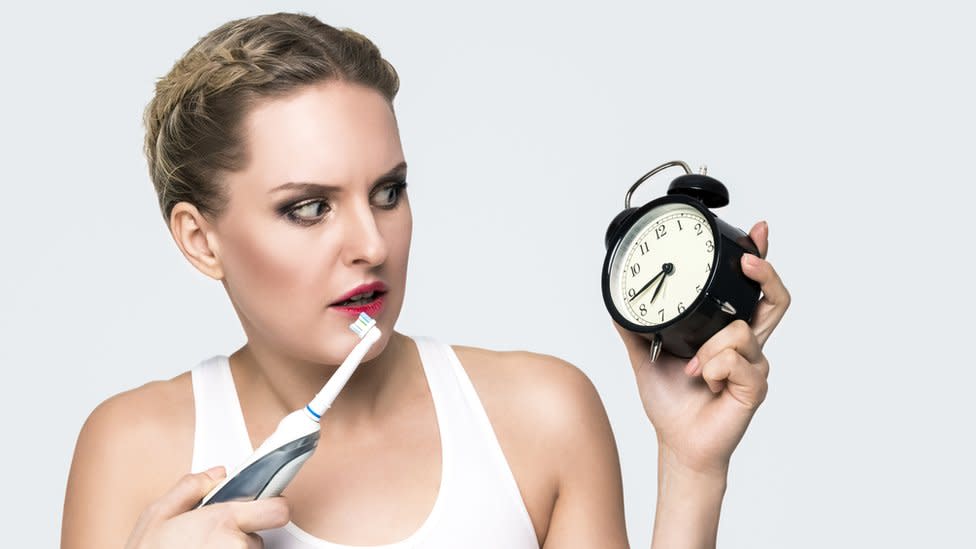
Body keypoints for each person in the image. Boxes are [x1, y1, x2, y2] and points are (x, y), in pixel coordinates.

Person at [61, 12, 790, 549]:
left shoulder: (542, 419)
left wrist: (691, 469)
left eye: (388, 192)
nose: (372, 244)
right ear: (200, 238)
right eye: (308, 208)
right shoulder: (132, 453)